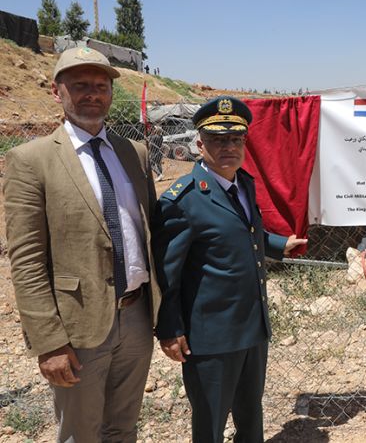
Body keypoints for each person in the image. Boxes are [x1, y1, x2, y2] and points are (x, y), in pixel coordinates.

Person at [3, 46, 161, 441]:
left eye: (101, 86)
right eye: (80, 85)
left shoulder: (135, 153)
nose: (92, 94)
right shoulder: (31, 160)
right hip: (77, 327)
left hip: (137, 316)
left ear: (111, 93)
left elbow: (149, 234)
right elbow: (27, 260)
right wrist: (49, 342)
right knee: (81, 434)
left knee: (123, 427)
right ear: (56, 91)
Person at [151, 96, 307, 442]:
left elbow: (245, 232)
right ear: (199, 144)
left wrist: (278, 245)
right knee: (211, 424)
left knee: (251, 417)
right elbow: (167, 273)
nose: (229, 147)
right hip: (211, 338)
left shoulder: (243, 184)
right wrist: (169, 329)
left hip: (252, 327)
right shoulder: (183, 200)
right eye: (218, 140)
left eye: (236, 139)